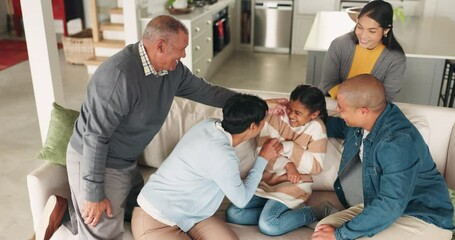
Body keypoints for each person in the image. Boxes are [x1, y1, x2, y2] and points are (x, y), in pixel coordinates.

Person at [37, 15, 287, 240]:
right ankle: (70, 217)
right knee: (102, 232)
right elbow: (94, 137)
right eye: (181, 49)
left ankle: (73, 211)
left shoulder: (172, 71)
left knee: (136, 209)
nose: (184, 56)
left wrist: (258, 105)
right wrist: (92, 193)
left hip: (126, 161)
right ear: (160, 46)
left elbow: (208, 91)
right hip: (97, 160)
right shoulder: (118, 78)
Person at [312, 74, 454, 240]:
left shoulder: (397, 142)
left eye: (341, 108)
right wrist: (300, 114)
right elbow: (330, 125)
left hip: (422, 216)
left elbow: (391, 204)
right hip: (382, 207)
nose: (338, 110)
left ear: (363, 111)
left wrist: (340, 234)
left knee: (342, 237)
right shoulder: (362, 123)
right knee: (323, 230)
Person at [131, 93, 283, 240]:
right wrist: (263, 158)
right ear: (252, 127)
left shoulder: (208, 124)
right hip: (156, 219)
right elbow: (241, 201)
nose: (265, 123)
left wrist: (262, 108)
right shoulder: (223, 156)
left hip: (194, 216)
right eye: (263, 120)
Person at [225, 85, 335, 236]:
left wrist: (288, 147)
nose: (291, 115)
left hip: (294, 186)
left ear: (314, 114)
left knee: (269, 225)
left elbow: (315, 167)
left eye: (298, 112)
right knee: (233, 213)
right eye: (290, 108)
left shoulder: (317, 129)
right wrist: (289, 164)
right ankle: (285, 215)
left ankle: (316, 212)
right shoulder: (275, 117)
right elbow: (264, 154)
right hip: (266, 182)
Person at [319, 0, 405, 102]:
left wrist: (358, 109)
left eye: (371, 31)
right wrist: (348, 105)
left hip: (368, 112)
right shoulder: (340, 44)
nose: (363, 36)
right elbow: (329, 83)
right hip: (333, 102)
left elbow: (387, 96)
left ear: (386, 30)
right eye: (360, 27)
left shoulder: (396, 59)